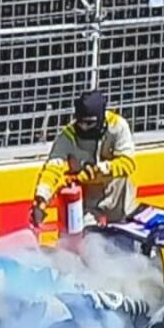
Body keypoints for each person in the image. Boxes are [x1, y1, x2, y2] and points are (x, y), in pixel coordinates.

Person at [29, 89, 138, 230]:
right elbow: (52, 169)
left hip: (119, 199)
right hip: (88, 203)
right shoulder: (68, 136)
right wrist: (41, 199)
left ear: (100, 118)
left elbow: (128, 163)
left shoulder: (118, 126)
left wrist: (100, 169)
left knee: (124, 237)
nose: (83, 127)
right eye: (80, 122)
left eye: (89, 123)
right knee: (88, 239)